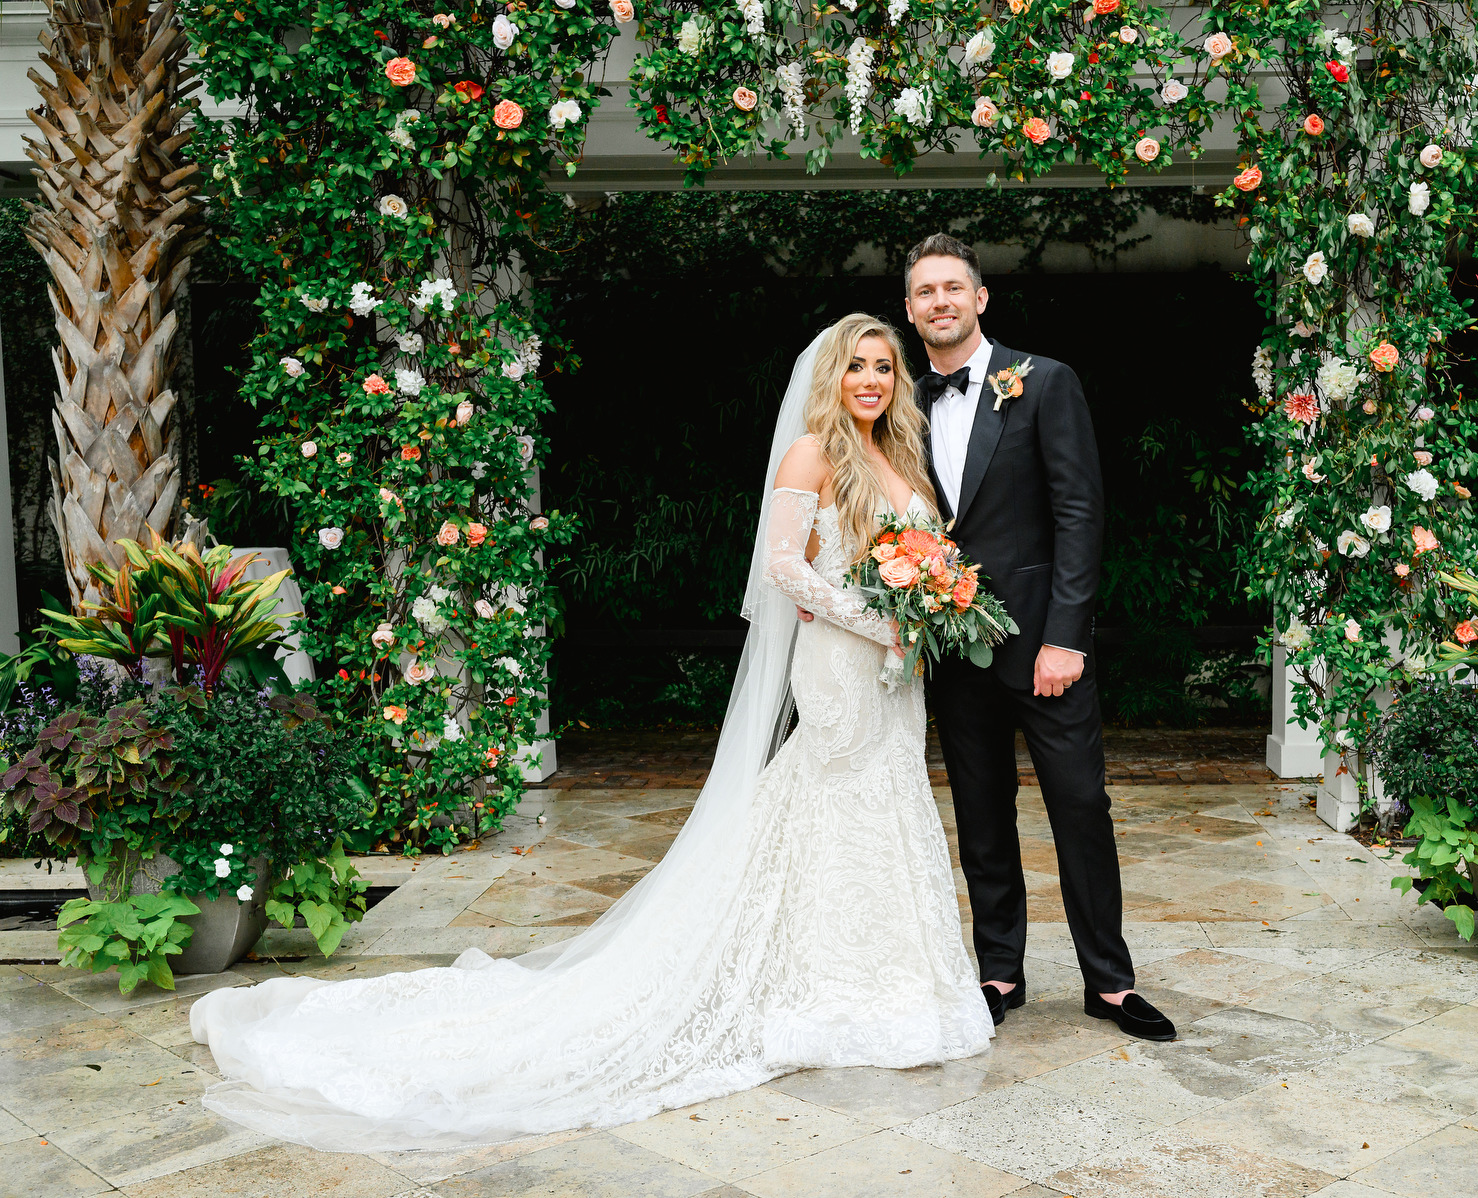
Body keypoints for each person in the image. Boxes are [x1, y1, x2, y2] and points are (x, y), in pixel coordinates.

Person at [186, 314, 992, 1153]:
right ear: (831, 378)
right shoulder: (812, 454)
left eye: (884, 368)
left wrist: (927, 610)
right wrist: (876, 620)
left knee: (885, 797)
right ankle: (822, 984)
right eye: (856, 367)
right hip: (839, 664)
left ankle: (886, 979)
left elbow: (927, 562)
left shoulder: (901, 459)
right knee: (832, 797)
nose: (871, 380)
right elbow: (784, 566)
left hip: (897, 677)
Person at [905, 232, 1174, 1042]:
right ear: (910, 309)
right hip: (953, 652)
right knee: (981, 817)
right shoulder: (905, 404)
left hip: (1043, 649)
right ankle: (999, 971)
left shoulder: (1044, 382)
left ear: (980, 298)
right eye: (926, 291)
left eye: (955, 286)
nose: (942, 301)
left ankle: (1111, 983)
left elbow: (1079, 513)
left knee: (1081, 807)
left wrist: (1067, 638)